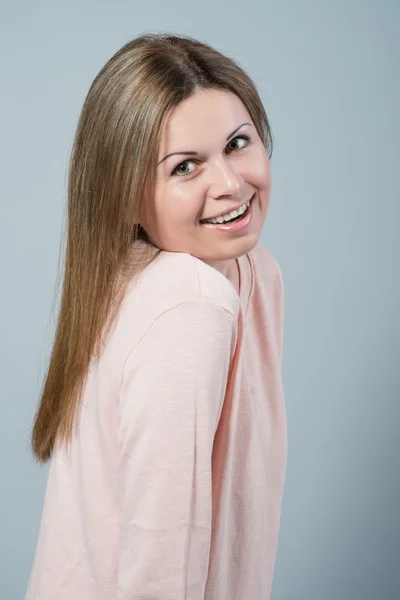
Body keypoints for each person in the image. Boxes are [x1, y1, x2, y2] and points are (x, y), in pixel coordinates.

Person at [25, 32, 287, 600]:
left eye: (238, 143)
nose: (229, 184)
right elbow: (162, 551)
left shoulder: (243, 272)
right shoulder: (190, 304)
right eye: (185, 166)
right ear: (124, 196)